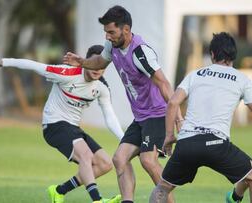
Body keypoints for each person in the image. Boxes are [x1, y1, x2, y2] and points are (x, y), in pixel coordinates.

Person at [63, 5, 181, 203]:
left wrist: (177, 117)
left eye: (111, 32)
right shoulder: (112, 46)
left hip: (157, 113)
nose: (108, 37)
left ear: (125, 29)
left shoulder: (141, 52)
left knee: (148, 161)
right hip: (141, 117)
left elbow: (164, 83)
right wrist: (82, 62)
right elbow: (100, 61)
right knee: (119, 159)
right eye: (106, 33)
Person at [0, 45, 123, 203]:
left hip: (73, 128)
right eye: (94, 63)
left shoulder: (102, 87)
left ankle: (58, 191)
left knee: (105, 164)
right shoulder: (67, 73)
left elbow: (109, 116)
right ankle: (97, 200)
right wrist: (2, 61)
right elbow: (34, 65)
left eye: (101, 66)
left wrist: (124, 139)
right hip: (54, 125)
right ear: (86, 62)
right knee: (86, 156)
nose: (97, 69)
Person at [149, 32, 252, 203]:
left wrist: (169, 136)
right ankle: (236, 197)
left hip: (187, 143)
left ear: (212, 54)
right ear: (233, 54)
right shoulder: (242, 79)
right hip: (216, 144)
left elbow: (173, 103)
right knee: (250, 176)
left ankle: (235, 197)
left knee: (162, 188)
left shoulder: (195, 74)